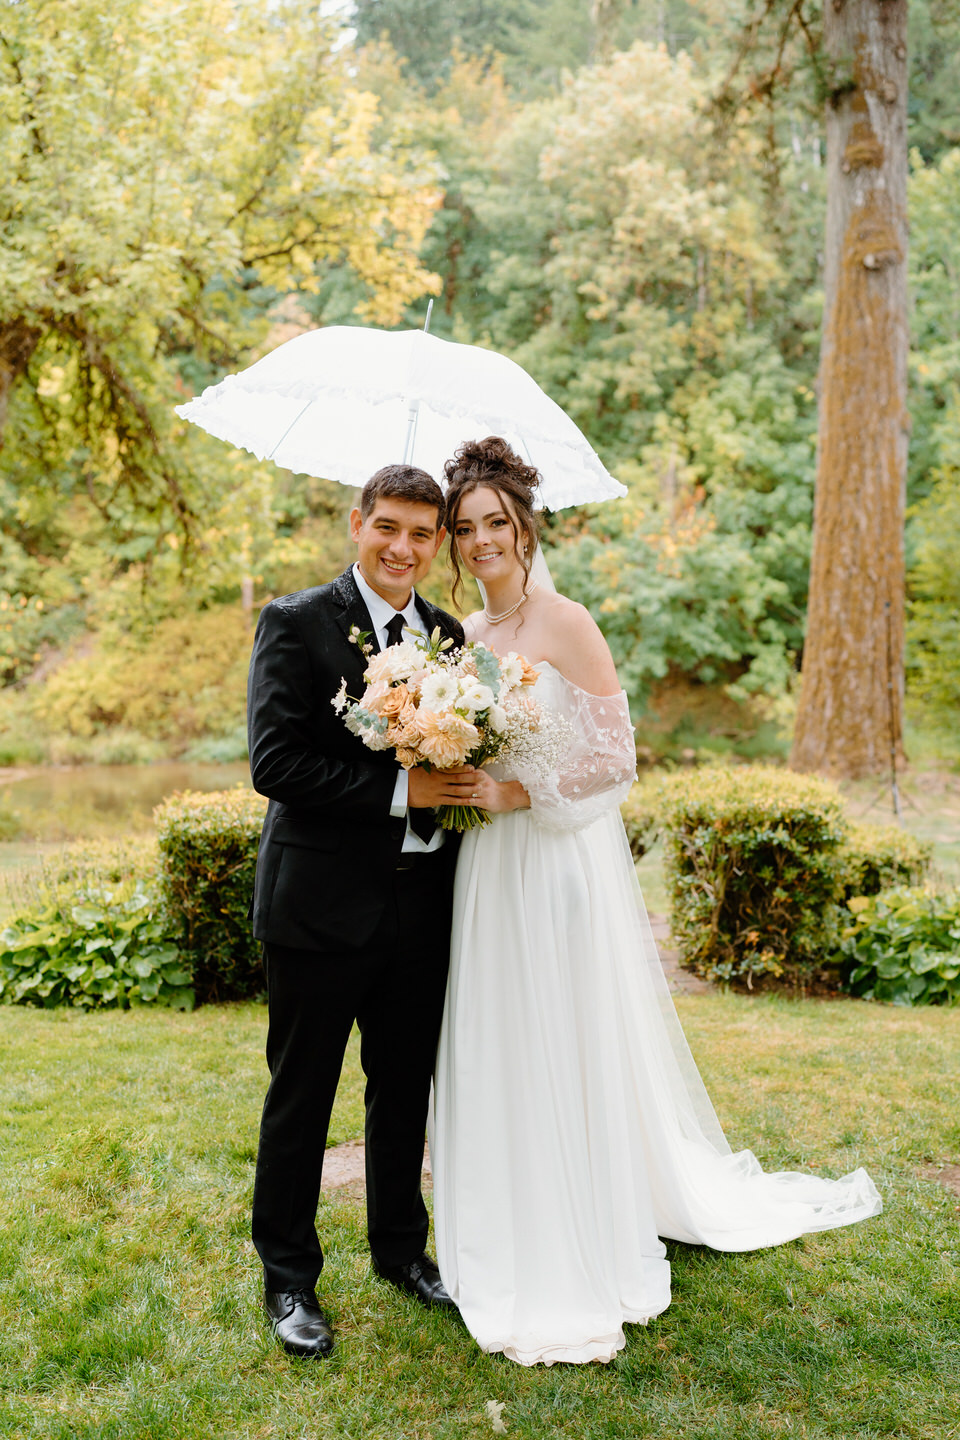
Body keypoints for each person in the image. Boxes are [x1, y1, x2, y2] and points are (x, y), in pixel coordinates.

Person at [430, 436, 882, 1367]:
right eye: (466, 527)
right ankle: (506, 1206)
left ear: (525, 526)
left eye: (495, 524)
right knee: (499, 1030)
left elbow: (615, 759)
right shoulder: (463, 641)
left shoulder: (568, 622)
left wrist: (522, 793)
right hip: (486, 871)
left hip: (553, 858)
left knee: (561, 1026)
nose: (481, 541)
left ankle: (582, 1211)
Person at [247, 463, 472, 1359]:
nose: (403, 548)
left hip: (422, 903)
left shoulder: (451, 639)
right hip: (318, 908)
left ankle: (400, 1253)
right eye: (388, 527)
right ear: (356, 523)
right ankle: (290, 1280)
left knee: (402, 1088)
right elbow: (276, 765)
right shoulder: (297, 622)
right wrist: (400, 788)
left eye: (423, 534)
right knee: (302, 1096)